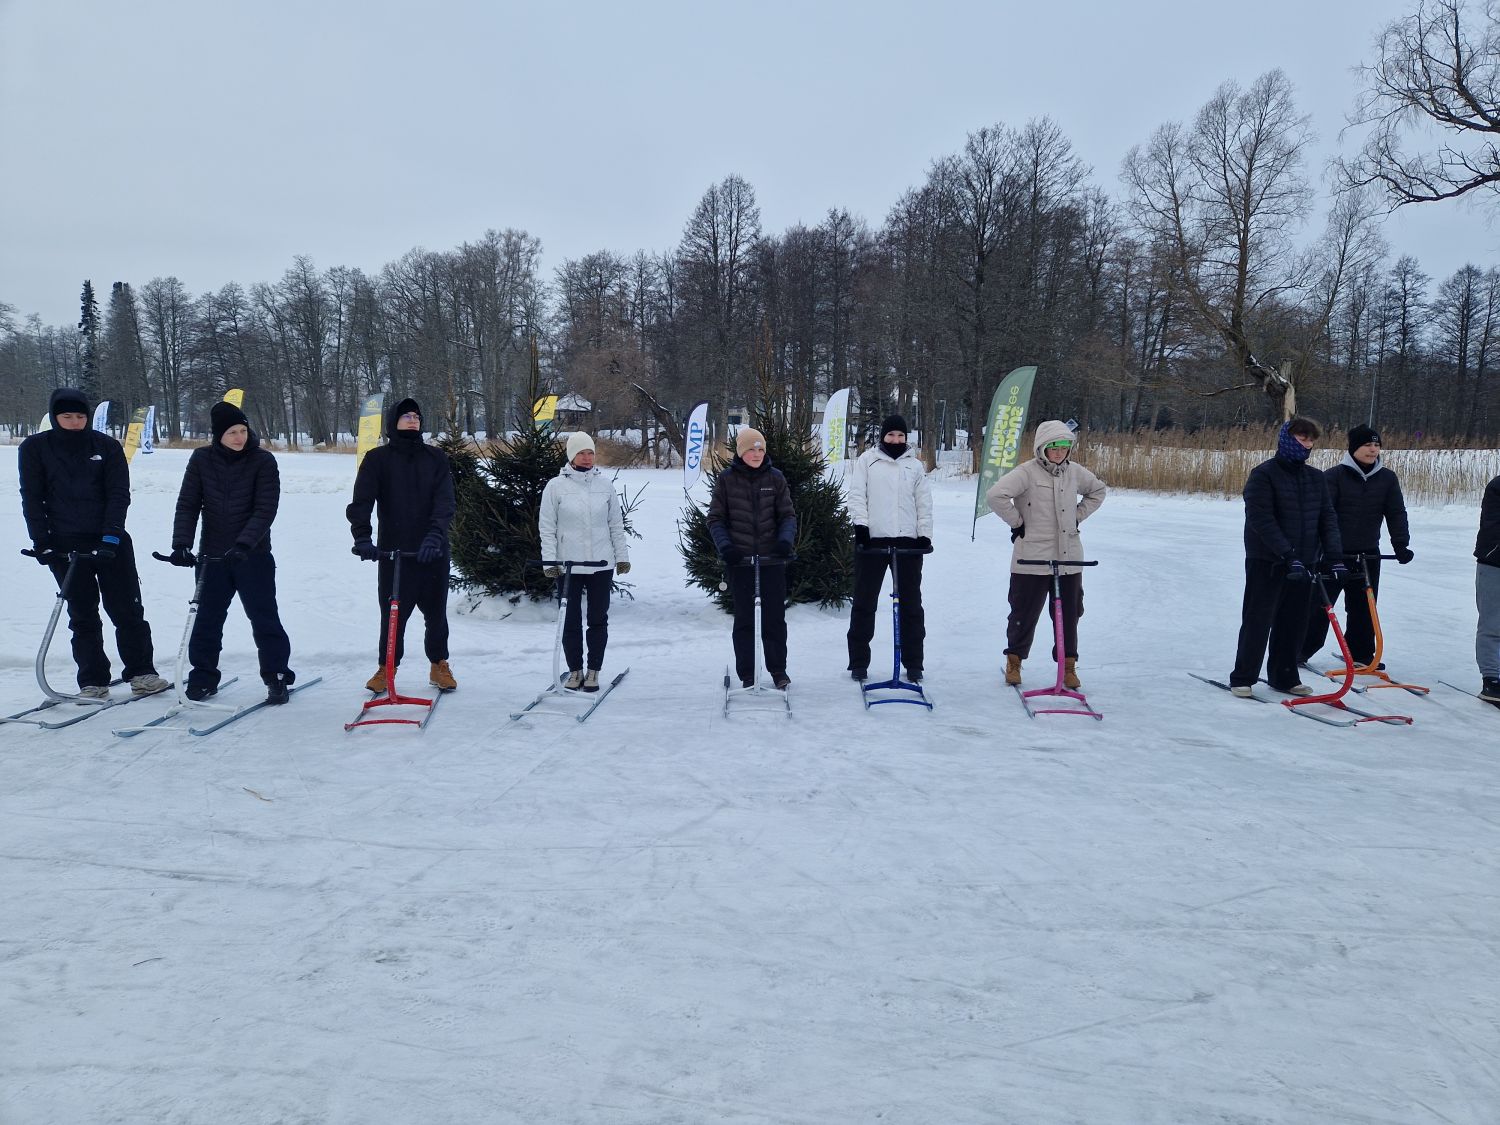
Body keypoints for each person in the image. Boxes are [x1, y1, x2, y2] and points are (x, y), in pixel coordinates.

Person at [17, 388, 169, 699]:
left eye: (80, 416)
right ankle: (93, 679)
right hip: (64, 544)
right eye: (67, 416)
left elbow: (118, 494)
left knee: (126, 608)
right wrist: (41, 541)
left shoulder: (106, 446)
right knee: (82, 612)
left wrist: (111, 536)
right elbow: (32, 497)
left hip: (108, 541)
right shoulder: (36, 448)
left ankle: (142, 672)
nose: (74, 422)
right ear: (55, 417)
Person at [167, 400, 295, 704]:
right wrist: (181, 544)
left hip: (253, 556)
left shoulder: (263, 461)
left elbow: (265, 510)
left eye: (242, 430)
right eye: (231, 433)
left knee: (264, 618)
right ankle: (203, 678)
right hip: (212, 557)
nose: (239, 437)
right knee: (207, 620)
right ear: (218, 436)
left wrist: (244, 545)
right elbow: (188, 504)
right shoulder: (201, 459)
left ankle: (276, 675)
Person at [346, 397, 457, 693]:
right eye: (406, 415)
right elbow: (362, 501)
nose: (412, 419)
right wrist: (362, 538)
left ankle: (438, 664)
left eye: (416, 416)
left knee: (436, 614)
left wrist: (435, 537)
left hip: (432, 551)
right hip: (394, 551)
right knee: (393, 613)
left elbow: (445, 502)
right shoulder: (377, 459)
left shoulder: (436, 458)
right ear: (393, 421)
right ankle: (387, 667)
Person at [986, 420, 1107, 689]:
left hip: (1068, 556)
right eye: (1054, 447)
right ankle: (1014, 661)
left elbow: (1098, 491)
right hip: (1032, 556)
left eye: (1064, 447)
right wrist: (1018, 523)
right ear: (1042, 447)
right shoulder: (1026, 473)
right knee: (1023, 612)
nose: (1059, 452)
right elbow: (996, 495)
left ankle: (1068, 667)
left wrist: (1077, 517)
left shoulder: (1074, 472)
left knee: (1069, 614)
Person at [1229, 417, 1343, 698]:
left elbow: (1327, 518)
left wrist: (1334, 556)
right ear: (1286, 439)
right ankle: (1243, 676)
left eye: (1310, 440)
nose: (1306, 444)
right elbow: (1261, 519)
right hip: (1267, 561)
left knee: (1294, 622)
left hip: (1305, 562)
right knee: (1258, 620)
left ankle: (1284, 675)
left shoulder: (1316, 478)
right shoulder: (1263, 474)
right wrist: (1286, 554)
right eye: (1301, 438)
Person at [1299, 423, 1412, 669]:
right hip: (1334, 554)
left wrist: (1401, 544)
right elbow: (1321, 517)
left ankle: (1361, 654)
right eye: (1367, 445)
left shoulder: (1387, 478)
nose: (1373, 450)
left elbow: (1396, 513)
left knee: (1364, 608)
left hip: (1368, 554)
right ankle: (1300, 650)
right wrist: (1317, 549)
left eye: (1376, 445)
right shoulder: (1334, 476)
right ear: (1353, 448)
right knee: (1320, 605)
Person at [538, 432, 631, 692]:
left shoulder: (605, 485)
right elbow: (547, 528)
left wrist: (622, 558)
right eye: (581, 453)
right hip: (568, 565)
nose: (587, 458)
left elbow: (615, 524)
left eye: (590, 453)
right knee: (570, 620)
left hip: (601, 564)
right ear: (571, 456)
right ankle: (575, 670)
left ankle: (593, 671)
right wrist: (550, 562)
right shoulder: (555, 487)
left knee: (598, 619)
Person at [707, 427, 797, 689]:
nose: (756, 454)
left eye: (760, 449)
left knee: (774, 620)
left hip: (771, 560)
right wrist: (726, 548)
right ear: (741, 452)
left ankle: (778, 671)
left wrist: (784, 542)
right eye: (751, 449)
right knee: (745, 619)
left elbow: (788, 516)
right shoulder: (727, 480)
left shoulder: (776, 478)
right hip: (741, 561)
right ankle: (747, 672)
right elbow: (715, 519)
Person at [846, 414, 933, 682]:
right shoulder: (868, 461)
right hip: (873, 541)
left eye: (900, 436)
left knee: (911, 606)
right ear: (882, 436)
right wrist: (861, 528)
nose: (895, 440)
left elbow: (924, 503)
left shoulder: (914, 466)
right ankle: (859, 662)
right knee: (864, 602)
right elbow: (857, 495)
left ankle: (914, 662)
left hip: (907, 543)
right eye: (891, 435)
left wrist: (924, 535)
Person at [1476, 471, 1500, 702]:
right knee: (1493, 624)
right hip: (1494, 563)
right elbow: (1493, 528)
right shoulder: (1497, 487)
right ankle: (1491, 680)